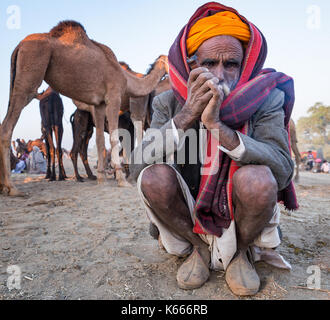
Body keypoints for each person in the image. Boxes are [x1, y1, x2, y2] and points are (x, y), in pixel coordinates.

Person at [129, 2, 297, 296]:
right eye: (209, 63)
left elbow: (282, 169)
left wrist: (220, 128)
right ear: (192, 65)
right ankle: (199, 249)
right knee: (152, 177)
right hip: (189, 207)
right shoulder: (166, 103)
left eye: (231, 64)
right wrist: (185, 116)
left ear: (244, 66)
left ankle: (239, 252)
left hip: (240, 206)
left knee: (258, 180)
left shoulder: (266, 99)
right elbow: (135, 166)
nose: (220, 74)